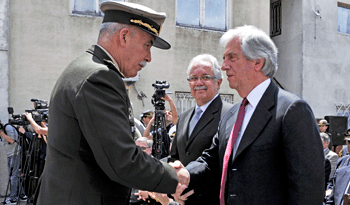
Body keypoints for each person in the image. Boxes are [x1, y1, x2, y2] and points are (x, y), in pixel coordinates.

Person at [35, 1, 184, 204]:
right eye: (147, 45)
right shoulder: (100, 77)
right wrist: (175, 178)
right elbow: (123, 162)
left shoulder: (82, 68)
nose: (148, 57)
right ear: (123, 36)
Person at [173, 25, 324, 204]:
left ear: (258, 62)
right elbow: (211, 160)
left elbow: (307, 190)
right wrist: (185, 173)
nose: (223, 66)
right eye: (224, 58)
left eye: (232, 58)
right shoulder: (231, 115)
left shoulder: (291, 110)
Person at [168, 54, 232, 205]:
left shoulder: (230, 114)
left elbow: (225, 163)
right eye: (193, 78)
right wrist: (174, 188)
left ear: (219, 82)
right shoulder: (184, 117)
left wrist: (195, 189)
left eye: (205, 77)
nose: (198, 82)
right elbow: (174, 157)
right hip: (181, 200)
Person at [0, 121, 27, 204]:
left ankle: (13, 199)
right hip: (9, 154)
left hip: (15, 153)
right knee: (13, 176)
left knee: (13, 176)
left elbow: (12, 140)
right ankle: (22, 195)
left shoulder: (7, 127)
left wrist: (1, 132)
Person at [144, 93, 178, 159]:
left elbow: (175, 117)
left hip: (172, 159)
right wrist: (151, 121)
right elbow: (146, 136)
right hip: (160, 159)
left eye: (169, 113)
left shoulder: (174, 128)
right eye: (165, 113)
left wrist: (170, 101)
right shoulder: (159, 130)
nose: (167, 114)